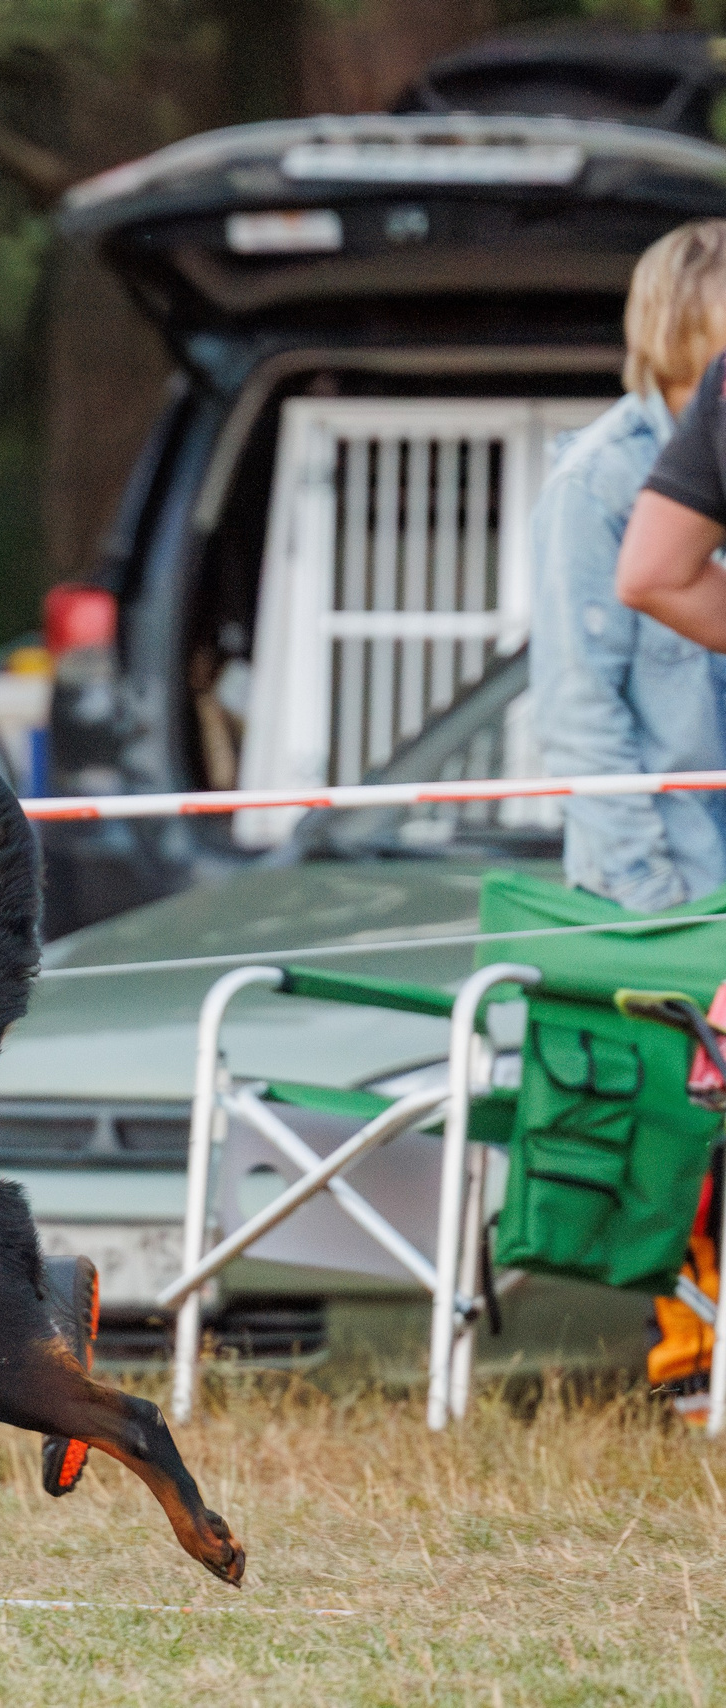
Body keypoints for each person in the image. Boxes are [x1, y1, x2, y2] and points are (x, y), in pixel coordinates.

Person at [602, 221, 726, 1421]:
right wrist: (646, 882)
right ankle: (684, 1359)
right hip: (666, 860)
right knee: (687, 1124)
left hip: (711, 850)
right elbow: (584, 706)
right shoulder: (601, 469)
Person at [535, 220, 726, 914]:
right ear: (684, 322)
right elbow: (577, 710)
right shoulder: (595, 482)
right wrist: (652, 895)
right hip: (672, 887)